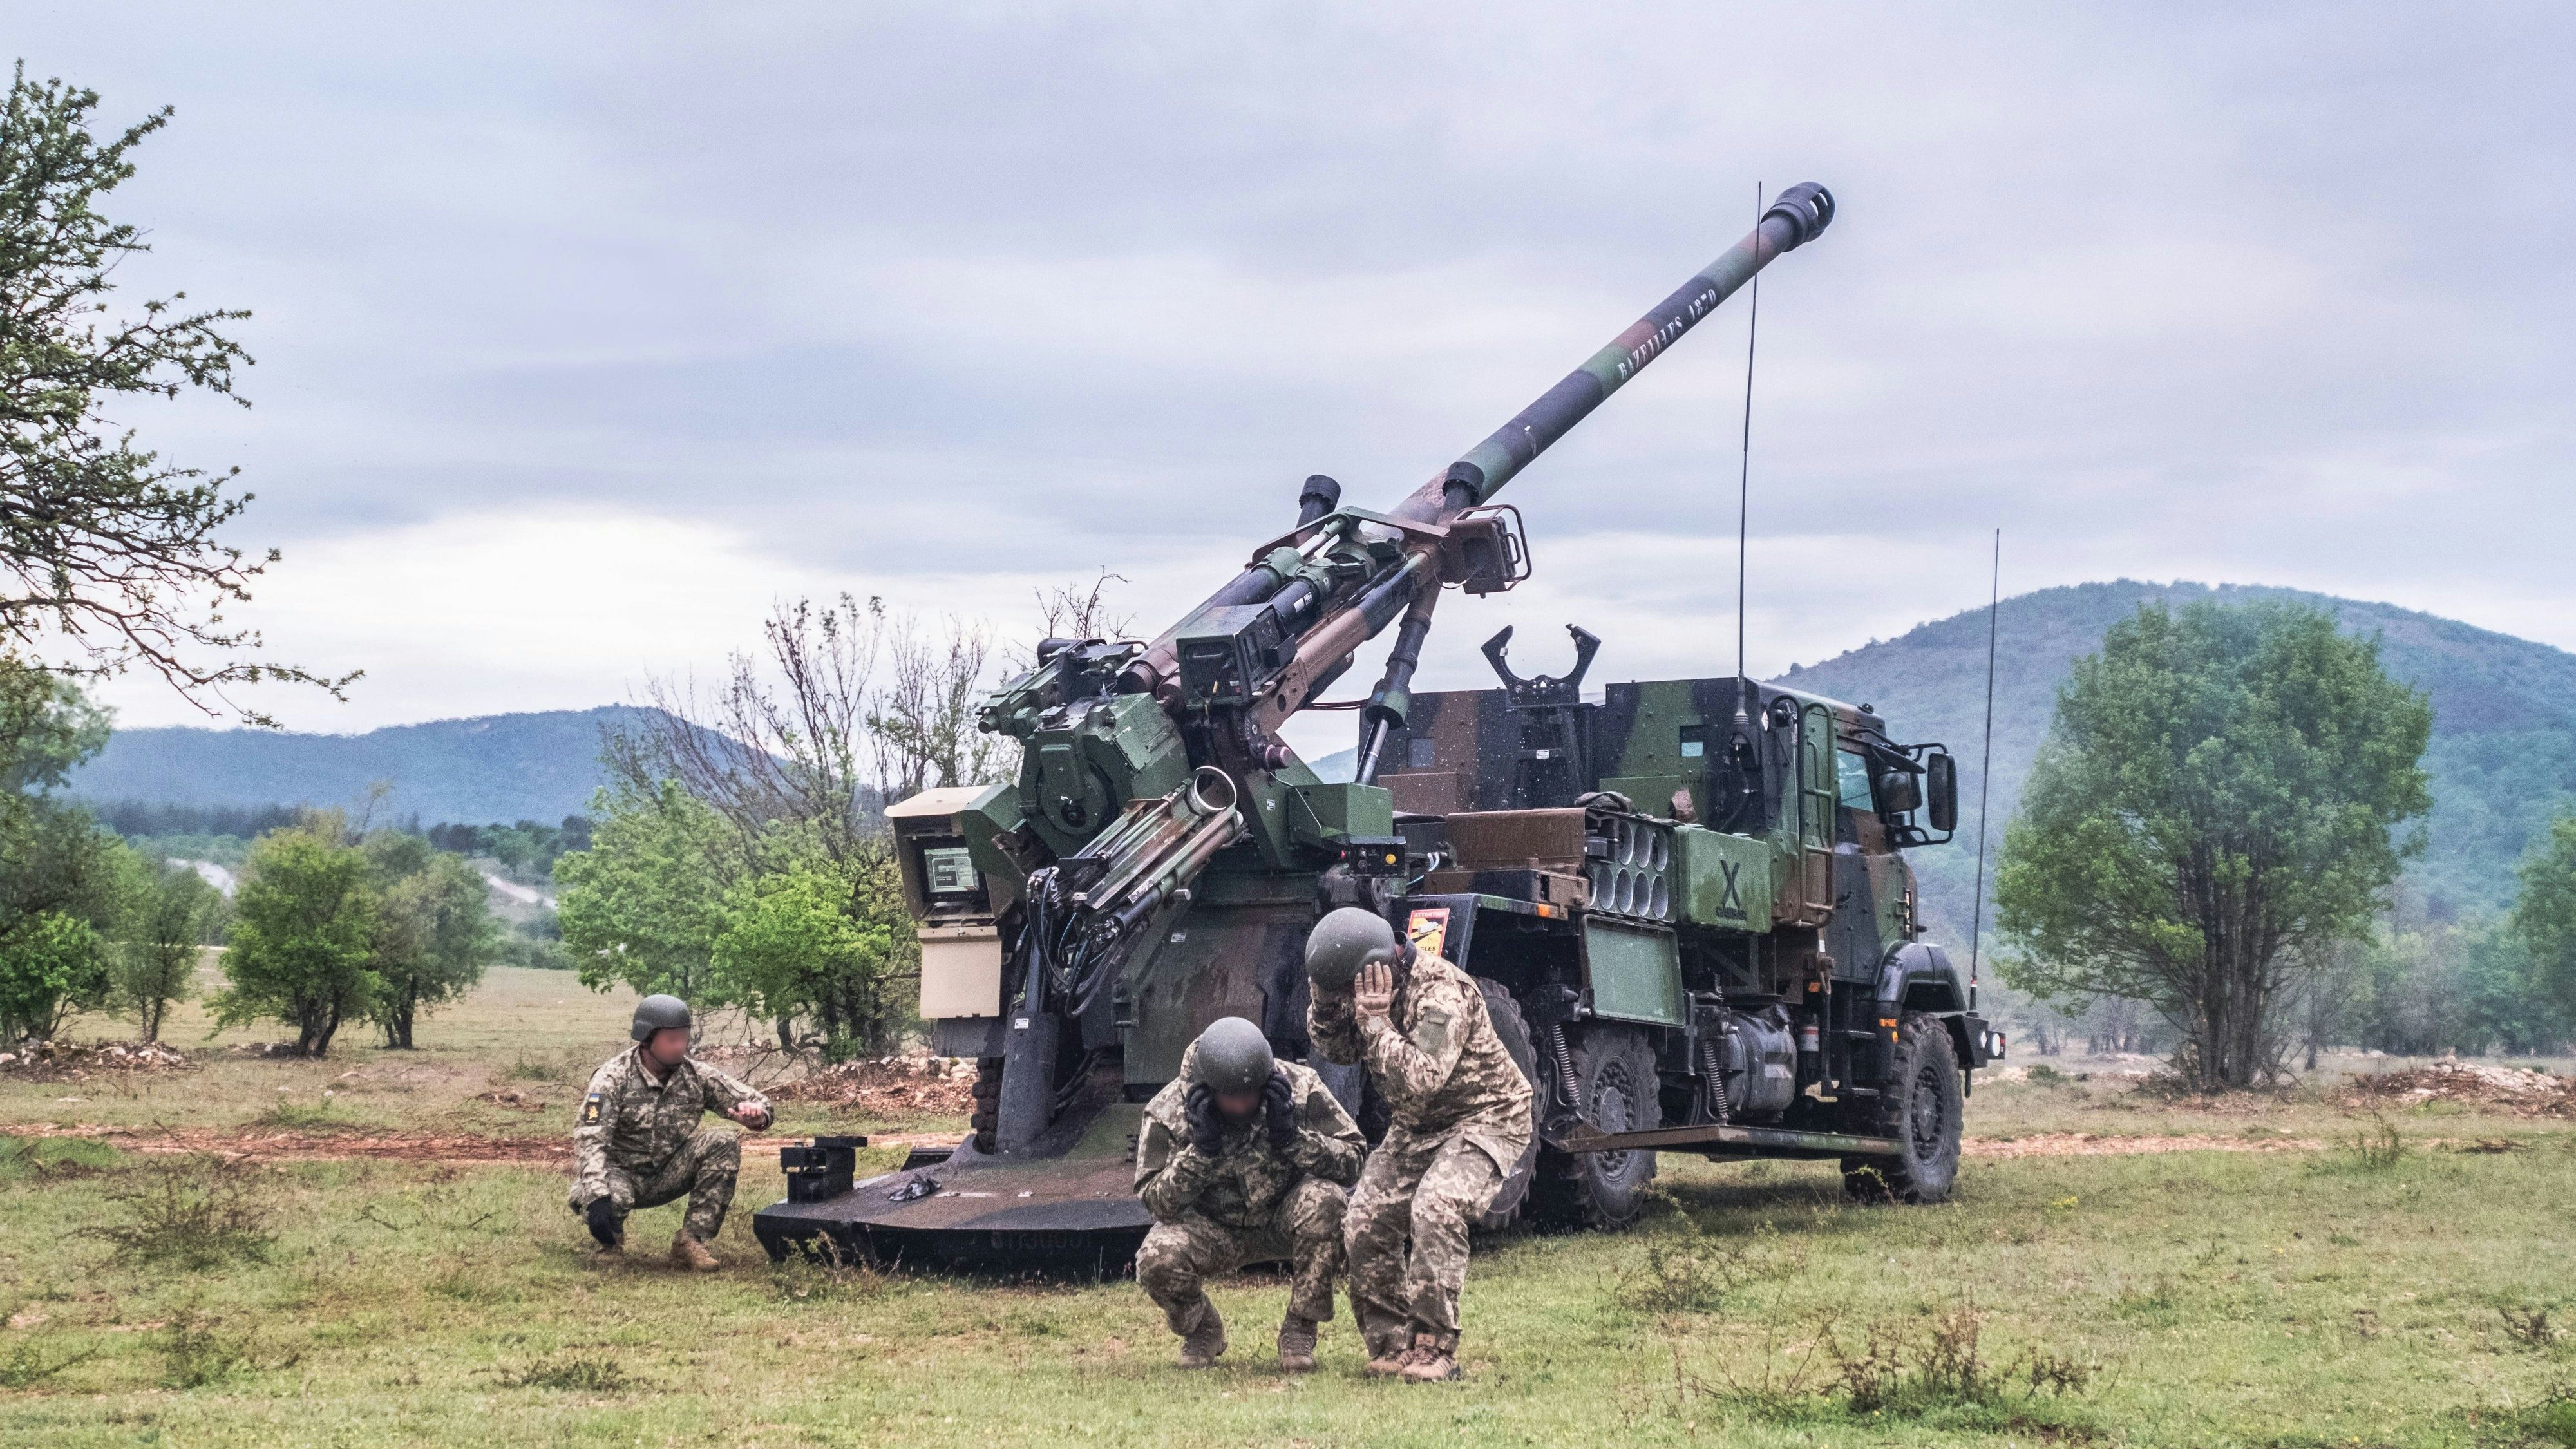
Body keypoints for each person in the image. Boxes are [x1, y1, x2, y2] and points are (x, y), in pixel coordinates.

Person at [1306, 907, 1533, 1383]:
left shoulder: (1440, 991)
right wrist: (1327, 1008)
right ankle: (1391, 1344)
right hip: (1419, 1126)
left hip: (1487, 1117)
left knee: (1435, 1207)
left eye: (1348, 990)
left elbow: (1420, 1078)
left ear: (1377, 966)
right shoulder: (1365, 982)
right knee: (1364, 1218)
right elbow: (1342, 1051)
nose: (1351, 999)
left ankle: (1434, 1346)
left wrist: (1374, 1022)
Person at [1132, 1015, 1366, 1371]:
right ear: (1209, 1090)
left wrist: (1293, 1139)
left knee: (1327, 1201)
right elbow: (1155, 1201)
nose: (1242, 1106)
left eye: (1250, 1095)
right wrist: (1201, 1154)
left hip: (1284, 1216)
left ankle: (1300, 1326)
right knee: (1156, 1258)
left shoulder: (1299, 1088)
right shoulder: (1169, 1111)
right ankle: (1202, 1328)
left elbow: (1354, 1160)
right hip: (1213, 1228)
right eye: (1231, 1098)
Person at [568, 994, 773, 1271]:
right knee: (609, 1199)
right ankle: (610, 1245)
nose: (680, 1047)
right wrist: (596, 1196)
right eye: (671, 1040)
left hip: (668, 1173)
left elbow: (758, 1103)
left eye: (683, 1038)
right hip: (619, 1174)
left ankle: (690, 1242)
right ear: (647, 1039)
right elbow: (590, 1139)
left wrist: (756, 1117)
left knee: (723, 1141)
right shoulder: (611, 1078)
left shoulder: (696, 1076)